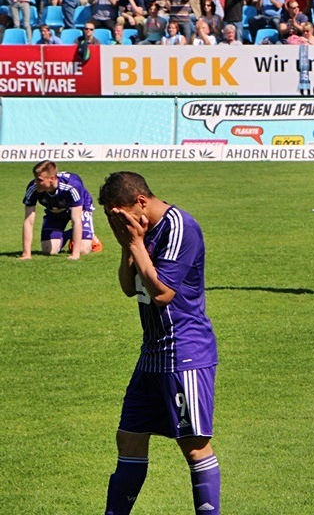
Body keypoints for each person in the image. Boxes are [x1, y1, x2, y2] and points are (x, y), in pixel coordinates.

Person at [97, 171, 220, 514]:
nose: (118, 222)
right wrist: (127, 245)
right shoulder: (139, 232)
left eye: (119, 214)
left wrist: (136, 244)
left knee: (194, 446)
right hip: (152, 352)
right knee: (129, 439)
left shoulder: (180, 228)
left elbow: (163, 293)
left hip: (184, 352)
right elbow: (127, 286)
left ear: (140, 201)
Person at [21, 160, 101, 260]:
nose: (35, 183)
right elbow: (28, 221)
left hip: (79, 208)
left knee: (83, 250)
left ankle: (89, 237)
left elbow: (76, 220)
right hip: (55, 211)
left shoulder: (72, 186)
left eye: (39, 180)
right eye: (35, 179)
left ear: (52, 178)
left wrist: (75, 255)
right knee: (48, 251)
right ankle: (70, 234)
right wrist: (26, 254)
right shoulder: (33, 188)